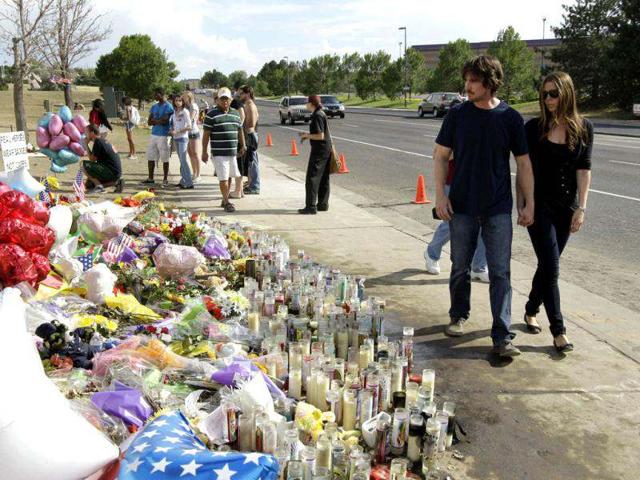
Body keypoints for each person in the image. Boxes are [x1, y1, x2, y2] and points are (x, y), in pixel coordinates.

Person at [433, 55, 535, 358]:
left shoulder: (510, 118)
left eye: (474, 81)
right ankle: (458, 315)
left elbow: (524, 164)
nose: (467, 86)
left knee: (501, 272)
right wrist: (440, 196)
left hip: (498, 208)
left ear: (490, 82)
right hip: (462, 205)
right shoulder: (457, 115)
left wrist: (528, 204)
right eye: (466, 80)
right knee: (460, 266)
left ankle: (502, 336)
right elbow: (440, 156)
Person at [522, 72, 593, 354]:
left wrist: (581, 207)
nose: (548, 100)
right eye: (545, 95)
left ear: (567, 94)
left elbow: (584, 169)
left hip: (566, 208)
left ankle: (530, 309)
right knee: (552, 267)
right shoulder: (534, 128)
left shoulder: (584, 127)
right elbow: (523, 170)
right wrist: (524, 204)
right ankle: (559, 331)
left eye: (553, 94)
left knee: (546, 265)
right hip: (539, 208)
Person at [425, 152, 489, 283]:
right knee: (452, 224)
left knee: (484, 224)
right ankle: (432, 253)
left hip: (480, 183)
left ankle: (478, 267)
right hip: (454, 182)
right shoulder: (453, 130)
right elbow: (437, 154)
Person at [201, 87, 246, 212]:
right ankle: (226, 202)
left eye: (227, 99)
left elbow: (240, 130)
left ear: (231, 100)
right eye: (222, 99)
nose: (225, 101)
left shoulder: (235, 114)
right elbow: (206, 135)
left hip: (232, 153)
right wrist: (204, 151)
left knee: (230, 176)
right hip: (219, 153)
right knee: (223, 178)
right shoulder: (211, 115)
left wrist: (243, 145)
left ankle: (224, 198)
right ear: (217, 100)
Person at [298, 95, 332, 215]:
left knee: (312, 177)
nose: (305, 104)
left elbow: (320, 135)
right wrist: (307, 135)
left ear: (311, 103)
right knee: (323, 177)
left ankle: (310, 206)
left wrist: (307, 135)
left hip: (320, 150)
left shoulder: (317, 115)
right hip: (326, 149)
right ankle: (323, 204)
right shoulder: (321, 113)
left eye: (307, 102)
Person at [143, 88, 174, 187]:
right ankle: (150, 178)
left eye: (156, 94)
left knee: (164, 157)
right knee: (150, 156)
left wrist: (155, 121)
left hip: (164, 135)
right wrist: (158, 121)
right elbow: (149, 121)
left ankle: (165, 179)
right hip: (154, 134)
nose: (154, 96)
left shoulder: (168, 106)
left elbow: (165, 121)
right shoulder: (154, 106)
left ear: (161, 94)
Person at [82, 124, 123, 194]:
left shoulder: (98, 142)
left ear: (92, 133)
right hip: (115, 172)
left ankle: (99, 186)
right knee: (89, 185)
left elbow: (92, 159)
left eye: (86, 132)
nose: (85, 134)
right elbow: (94, 158)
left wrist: (86, 144)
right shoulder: (101, 140)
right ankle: (116, 183)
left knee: (82, 165)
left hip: (111, 171)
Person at [239, 85, 260, 195]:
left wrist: (245, 134)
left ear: (247, 94)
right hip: (249, 135)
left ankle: (255, 186)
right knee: (250, 162)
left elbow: (251, 124)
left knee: (252, 162)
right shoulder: (246, 105)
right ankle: (251, 183)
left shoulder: (250, 106)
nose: (240, 95)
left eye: (241, 93)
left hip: (250, 135)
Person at [170, 95, 194, 189]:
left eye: (180, 100)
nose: (178, 102)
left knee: (184, 160)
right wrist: (172, 130)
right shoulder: (174, 112)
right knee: (181, 161)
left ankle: (189, 183)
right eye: (176, 100)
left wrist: (178, 131)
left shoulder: (185, 111)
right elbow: (174, 125)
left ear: (183, 102)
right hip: (176, 138)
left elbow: (189, 126)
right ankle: (183, 180)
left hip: (183, 138)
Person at [182, 91, 202, 183]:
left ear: (188, 97)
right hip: (188, 133)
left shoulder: (193, 106)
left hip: (193, 132)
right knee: (190, 154)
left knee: (196, 153)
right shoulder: (187, 106)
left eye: (184, 96)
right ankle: (194, 173)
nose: (182, 98)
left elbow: (190, 119)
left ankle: (198, 174)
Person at [229, 95, 246, 199]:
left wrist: (235, 127)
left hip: (239, 138)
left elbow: (242, 117)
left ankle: (238, 191)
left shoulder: (236, 103)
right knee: (238, 164)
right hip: (238, 136)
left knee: (238, 165)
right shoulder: (235, 103)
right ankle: (241, 191)